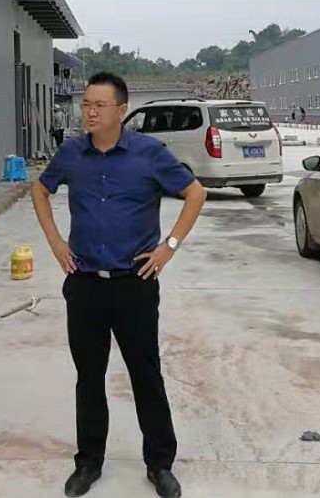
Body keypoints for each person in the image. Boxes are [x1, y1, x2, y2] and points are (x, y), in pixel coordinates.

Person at [31, 72, 207, 498]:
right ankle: (88, 463)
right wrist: (56, 242)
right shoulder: (71, 153)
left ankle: (160, 464)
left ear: (121, 111)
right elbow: (39, 190)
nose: (89, 112)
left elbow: (195, 193)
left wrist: (168, 247)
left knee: (146, 375)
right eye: (86, 104)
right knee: (89, 377)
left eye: (99, 105)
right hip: (85, 284)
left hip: (135, 284)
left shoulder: (149, 153)